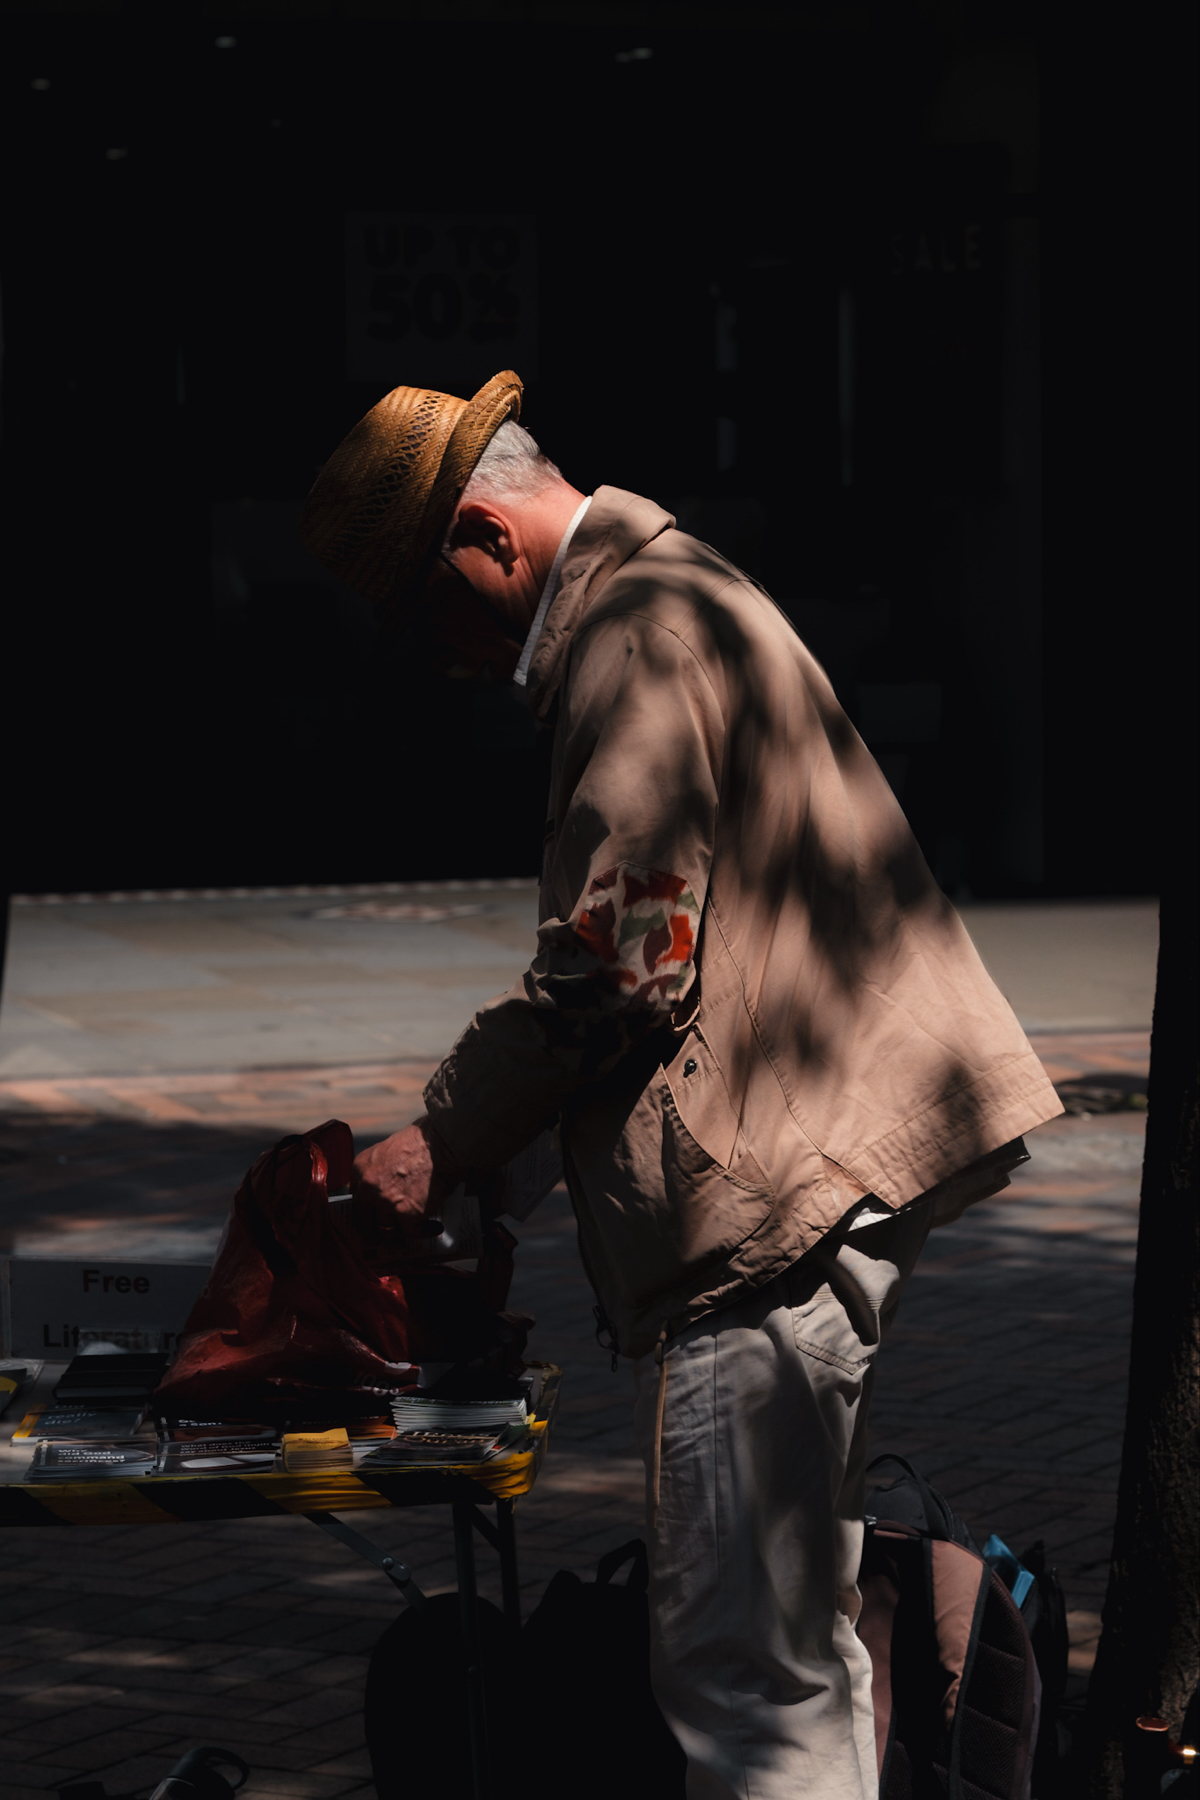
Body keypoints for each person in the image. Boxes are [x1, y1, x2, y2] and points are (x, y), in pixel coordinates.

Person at [300, 369, 1062, 1799]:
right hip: (806, 1185)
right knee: (791, 1655)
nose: (441, 657)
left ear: (485, 536)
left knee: (737, 1672)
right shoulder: (668, 599)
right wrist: (513, 1169)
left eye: (424, 613)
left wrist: (445, 1138)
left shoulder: (639, 637)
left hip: (772, 1215)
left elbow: (623, 963)